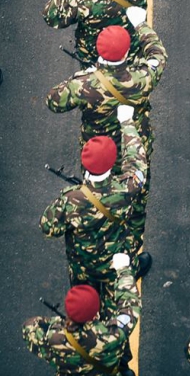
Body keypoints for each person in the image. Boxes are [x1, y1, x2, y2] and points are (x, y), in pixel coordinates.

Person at [41, 106, 149, 314]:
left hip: (83, 263)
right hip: (115, 259)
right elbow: (137, 161)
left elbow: (48, 227)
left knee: (84, 306)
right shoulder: (127, 187)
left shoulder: (70, 199)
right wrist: (126, 122)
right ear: (112, 163)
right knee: (116, 308)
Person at [47, 11, 167, 153]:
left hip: (98, 153)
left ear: (99, 49)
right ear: (127, 52)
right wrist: (140, 25)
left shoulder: (82, 84)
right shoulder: (143, 78)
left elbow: (53, 102)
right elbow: (158, 54)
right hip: (134, 149)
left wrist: (82, 75)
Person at [22, 252, 140, 376]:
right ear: (95, 315)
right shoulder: (112, 335)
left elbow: (29, 326)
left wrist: (56, 323)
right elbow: (130, 306)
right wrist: (123, 271)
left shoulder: (52, 339)